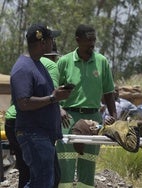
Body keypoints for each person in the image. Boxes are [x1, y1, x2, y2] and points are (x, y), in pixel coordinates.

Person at [10, 23, 72, 188]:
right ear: (43, 42)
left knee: (43, 182)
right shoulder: (23, 68)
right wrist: (53, 97)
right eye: (51, 39)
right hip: (34, 134)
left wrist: (57, 95)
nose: (54, 43)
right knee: (42, 183)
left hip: (42, 135)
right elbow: (23, 103)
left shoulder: (38, 64)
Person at [56, 24, 116, 187]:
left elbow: (109, 92)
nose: (92, 44)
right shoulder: (64, 61)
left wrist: (114, 116)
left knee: (88, 161)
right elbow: (53, 90)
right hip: (67, 118)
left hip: (93, 118)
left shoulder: (102, 61)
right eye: (88, 40)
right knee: (65, 161)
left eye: (94, 40)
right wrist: (58, 108)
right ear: (78, 40)